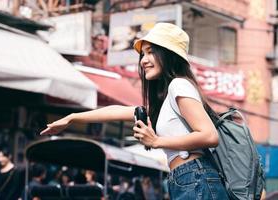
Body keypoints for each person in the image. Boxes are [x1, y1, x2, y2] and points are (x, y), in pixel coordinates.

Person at [40, 22, 228, 199]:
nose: (143, 60)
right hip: (186, 178)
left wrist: (156, 141)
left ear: (169, 55)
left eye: (151, 52)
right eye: (143, 54)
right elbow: (115, 111)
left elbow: (210, 136)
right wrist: (72, 118)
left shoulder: (178, 85)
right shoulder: (165, 102)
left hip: (195, 177)